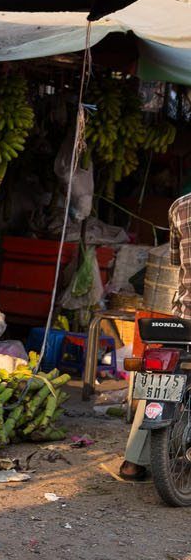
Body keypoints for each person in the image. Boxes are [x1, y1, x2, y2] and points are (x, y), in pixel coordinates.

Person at [120, 189, 191, 481]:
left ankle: (133, 462)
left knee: (160, 382)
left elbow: (176, 260)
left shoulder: (181, 205)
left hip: (185, 316)